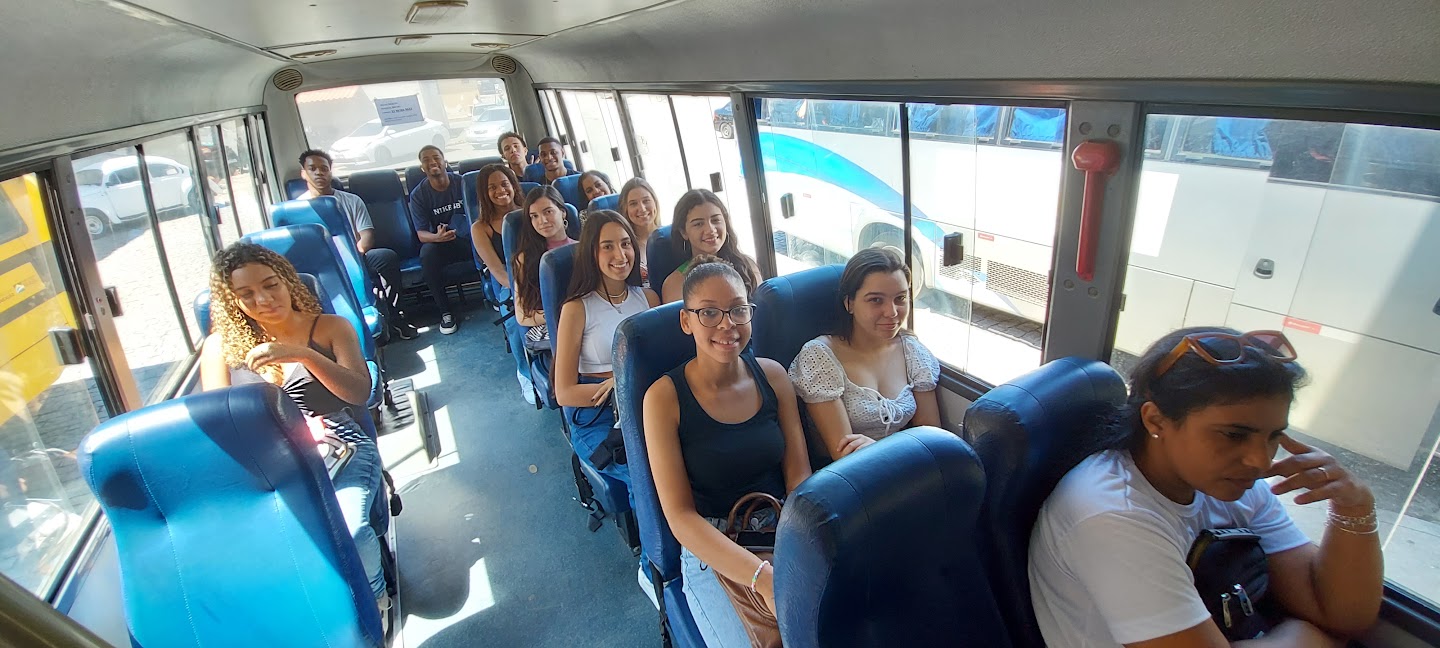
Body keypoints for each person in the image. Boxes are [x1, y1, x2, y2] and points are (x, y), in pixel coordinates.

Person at [1029, 327, 1383, 648]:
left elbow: (1339, 613)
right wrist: (1307, 638)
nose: (1261, 461)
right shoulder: (1112, 516)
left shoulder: (1232, 484)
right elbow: (1326, 627)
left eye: (1273, 436)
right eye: (1234, 435)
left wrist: (1354, 508)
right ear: (1156, 420)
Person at [198, 242, 390, 621]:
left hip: (340, 445)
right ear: (233, 302)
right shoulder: (220, 348)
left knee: (350, 530)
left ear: (287, 281)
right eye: (247, 294)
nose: (264, 299)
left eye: (271, 285)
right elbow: (220, 422)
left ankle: (375, 599)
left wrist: (303, 355)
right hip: (265, 458)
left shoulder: (330, 328)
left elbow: (359, 392)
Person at [644, 261, 811, 647]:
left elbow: (799, 478)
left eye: (737, 309)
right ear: (686, 321)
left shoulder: (773, 376)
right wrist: (761, 577)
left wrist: (803, 545)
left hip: (781, 524)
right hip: (712, 544)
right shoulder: (663, 398)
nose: (727, 324)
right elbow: (680, 517)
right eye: (709, 313)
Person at [788, 247, 940, 459]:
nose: (892, 312)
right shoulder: (820, 357)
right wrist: (894, 451)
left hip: (908, 466)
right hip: (850, 473)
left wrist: (880, 449)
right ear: (849, 303)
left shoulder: (912, 351)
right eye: (876, 300)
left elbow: (932, 438)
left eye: (900, 298)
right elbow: (843, 453)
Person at [554, 210, 659, 484]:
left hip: (649, 404)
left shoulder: (649, 298)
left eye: (625, 244)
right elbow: (564, 392)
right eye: (608, 246)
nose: (620, 254)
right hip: (598, 414)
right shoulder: (577, 308)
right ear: (592, 253)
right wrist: (621, 388)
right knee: (646, 477)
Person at [297, 149, 417, 340]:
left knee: (385, 257)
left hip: (355, 257)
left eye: (324, 168)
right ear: (303, 173)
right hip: (318, 268)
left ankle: (396, 317)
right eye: (312, 169)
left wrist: (351, 259)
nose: (319, 173)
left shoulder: (351, 201)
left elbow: (366, 237)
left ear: (330, 172)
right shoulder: (296, 209)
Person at [470, 163, 536, 403]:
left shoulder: (530, 213)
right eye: (492, 187)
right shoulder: (481, 228)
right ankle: (525, 373)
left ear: (513, 185)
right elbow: (497, 270)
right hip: (510, 284)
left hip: (540, 276)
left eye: (505, 184)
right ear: (484, 193)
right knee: (515, 322)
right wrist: (524, 292)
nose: (500, 191)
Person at [408, 145, 470, 334]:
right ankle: (446, 313)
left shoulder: (463, 183)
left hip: (469, 239)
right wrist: (437, 237)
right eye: (426, 160)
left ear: (445, 162)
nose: (432, 162)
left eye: (436, 157)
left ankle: (497, 296)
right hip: (443, 244)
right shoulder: (418, 195)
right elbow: (421, 234)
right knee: (427, 253)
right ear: (422, 168)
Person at [660, 189, 761, 304]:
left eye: (715, 220)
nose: (710, 230)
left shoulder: (748, 266)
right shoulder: (675, 284)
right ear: (684, 232)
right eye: (698, 224)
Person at [511, 185, 576, 332]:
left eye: (548, 212)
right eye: (534, 216)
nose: (543, 221)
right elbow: (522, 316)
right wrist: (561, 315)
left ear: (563, 212)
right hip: (550, 325)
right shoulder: (525, 258)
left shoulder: (583, 248)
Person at [618, 178, 661, 287]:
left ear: (655, 202)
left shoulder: (671, 236)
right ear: (625, 209)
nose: (642, 208)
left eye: (646, 201)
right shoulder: (623, 246)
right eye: (633, 204)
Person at [498, 131, 573, 180]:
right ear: (503, 156)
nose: (513, 150)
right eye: (507, 149)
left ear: (525, 150)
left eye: (516, 146)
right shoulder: (507, 179)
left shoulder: (546, 169)